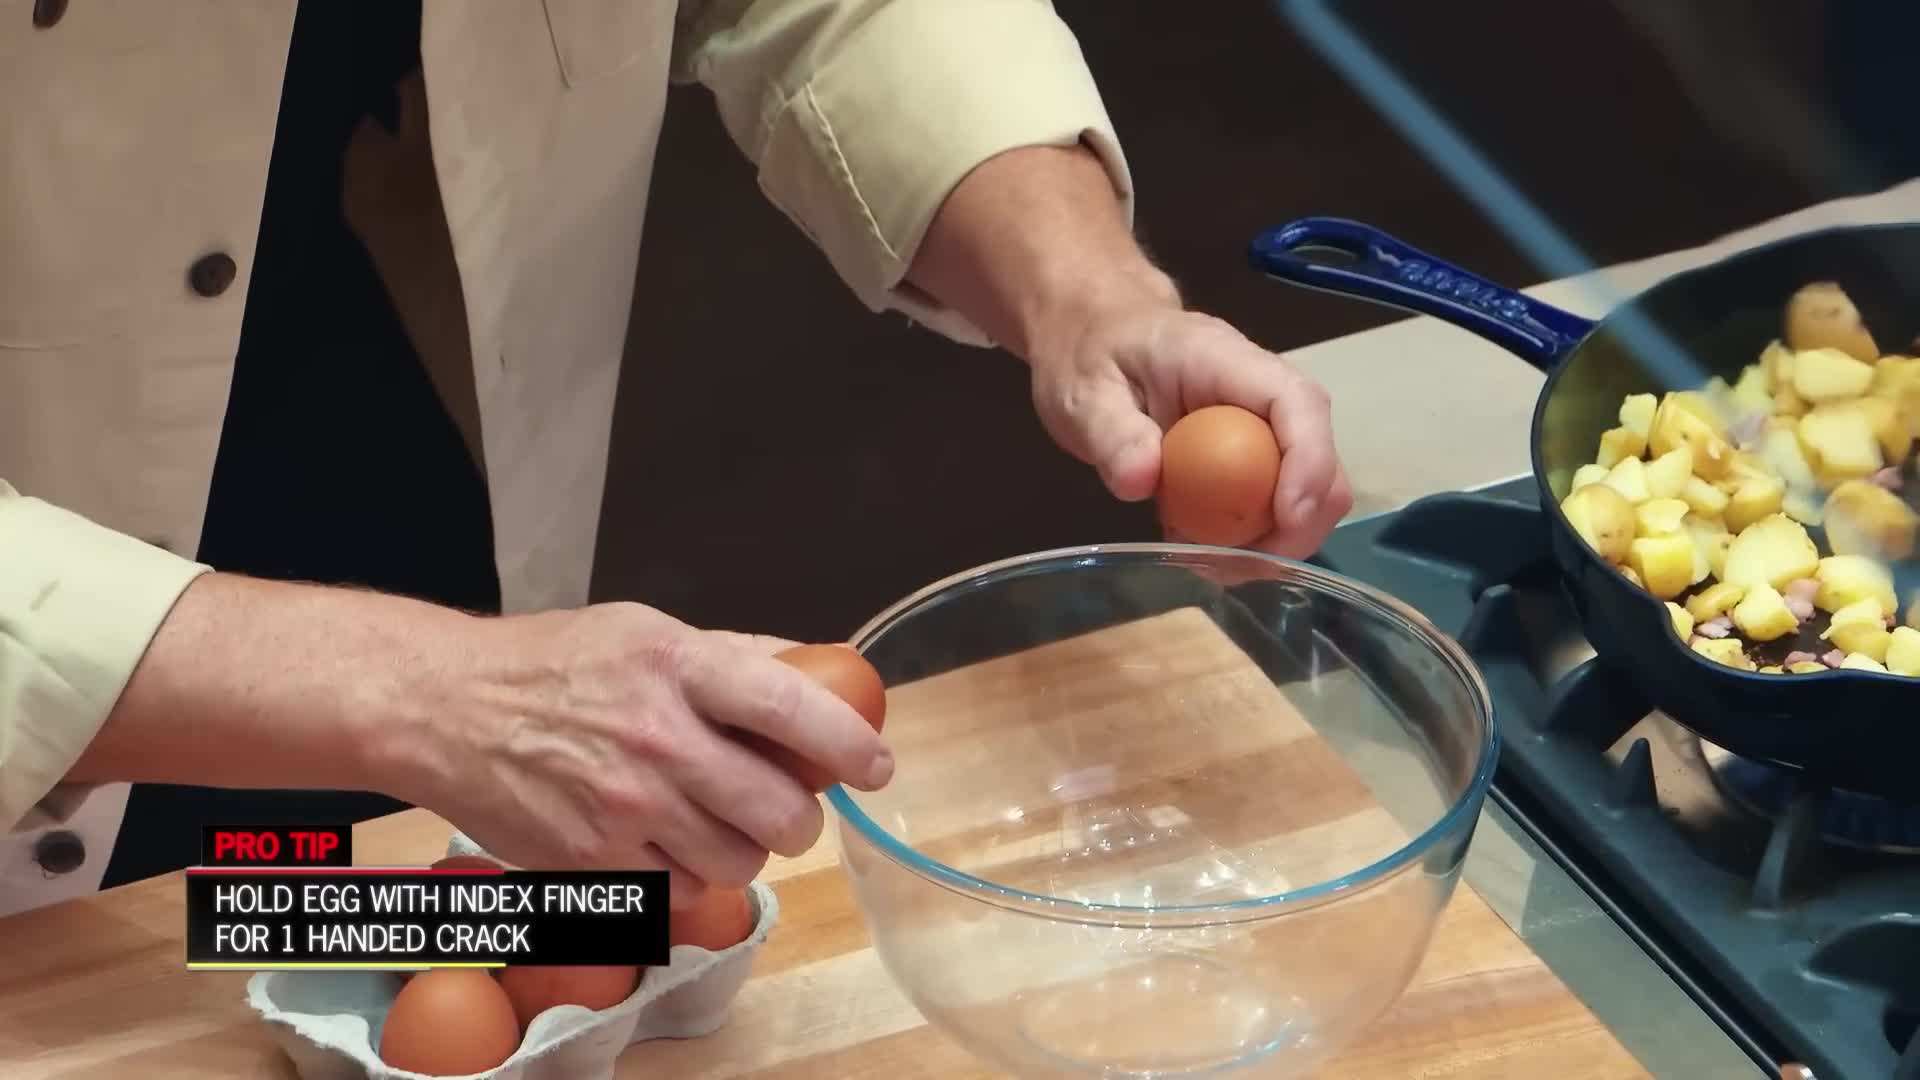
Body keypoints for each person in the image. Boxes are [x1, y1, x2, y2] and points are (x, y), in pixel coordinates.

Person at [0, 1, 1350, 917]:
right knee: (111, 975)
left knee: (338, 935)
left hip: (355, 432)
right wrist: (422, 694)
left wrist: (1083, 287)